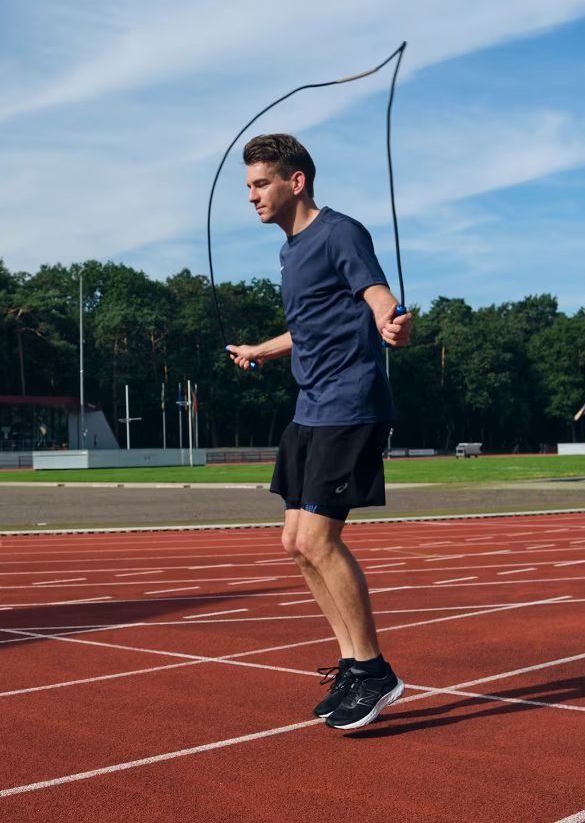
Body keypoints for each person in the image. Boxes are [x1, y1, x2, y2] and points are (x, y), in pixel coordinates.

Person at [227, 133, 412, 731]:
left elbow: (376, 294)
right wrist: (262, 348)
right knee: (293, 541)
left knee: (319, 541)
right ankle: (354, 665)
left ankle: (376, 670)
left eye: (260, 184)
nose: (251, 196)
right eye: (249, 186)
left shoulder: (340, 232)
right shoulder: (289, 250)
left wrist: (393, 324)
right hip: (310, 408)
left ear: (295, 182)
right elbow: (308, 325)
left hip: (350, 404)